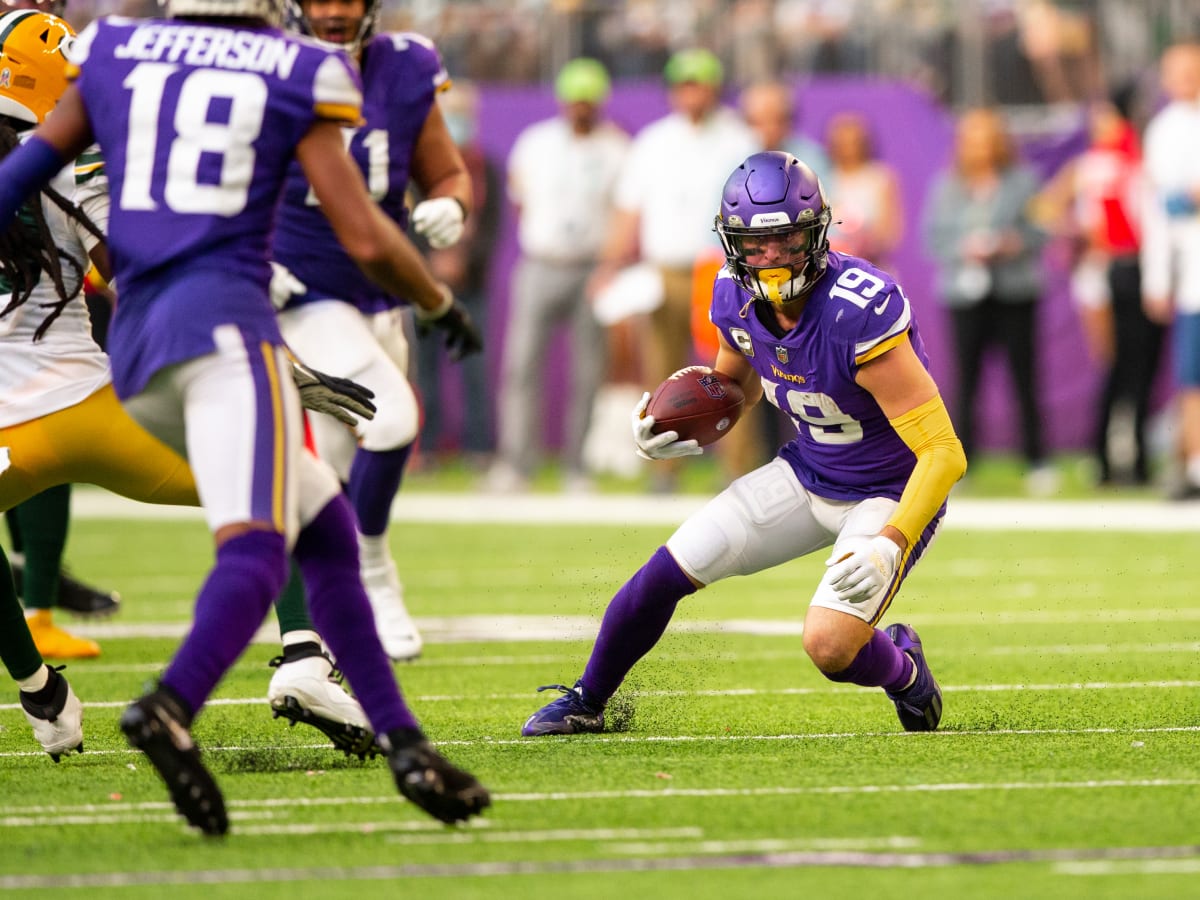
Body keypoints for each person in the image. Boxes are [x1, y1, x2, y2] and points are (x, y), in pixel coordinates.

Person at [0, 0, 488, 832]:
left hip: (142, 351)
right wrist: (439, 302)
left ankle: (406, 742)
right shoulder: (296, 71)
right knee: (261, 543)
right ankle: (169, 702)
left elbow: (26, 177)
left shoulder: (117, 47)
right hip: (216, 333)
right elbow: (366, 237)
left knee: (322, 522)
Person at [521, 151, 966, 738]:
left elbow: (944, 452)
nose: (772, 259)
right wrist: (672, 426)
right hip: (807, 473)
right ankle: (587, 698)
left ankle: (904, 672)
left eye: (786, 240)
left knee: (830, 645)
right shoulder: (731, 292)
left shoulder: (857, 308)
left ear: (817, 233)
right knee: (666, 571)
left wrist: (892, 539)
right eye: (756, 246)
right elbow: (735, 387)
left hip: (888, 490)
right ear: (733, 244)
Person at [267, 0, 475, 665]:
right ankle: (373, 579)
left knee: (328, 473)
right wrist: (246, 256)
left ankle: (319, 636)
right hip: (303, 296)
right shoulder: (271, 66)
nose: (333, 10)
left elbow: (444, 170)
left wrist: (452, 202)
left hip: (383, 302)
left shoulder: (406, 65)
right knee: (388, 423)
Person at [593, 48, 757, 491]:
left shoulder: (737, 139)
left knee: (730, 371)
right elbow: (630, 208)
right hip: (664, 267)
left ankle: (736, 468)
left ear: (714, 87)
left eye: (698, 82)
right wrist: (610, 263)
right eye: (683, 83)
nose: (691, 92)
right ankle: (664, 468)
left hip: (719, 269)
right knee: (662, 373)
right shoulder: (653, 141)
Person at [485, 57, 629, 494]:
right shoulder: (537, 142)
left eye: (588, 100)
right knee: (521, 365)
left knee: (588, 372)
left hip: (591, 267)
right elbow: (519, 197)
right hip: (542, 262)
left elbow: (624, 212)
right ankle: (516, 463)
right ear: (563, 101)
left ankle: (576, 467)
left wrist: (608, 265)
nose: (580, 107)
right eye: (574, 99)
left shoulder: (616, 148)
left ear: (599, 101)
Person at [922, 107, 1053, 494]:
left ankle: (1036, 460)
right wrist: (966, 248)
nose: (980, 148)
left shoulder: (1024, 182)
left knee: (1025, 378)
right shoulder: (947, 186)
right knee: (966, 380)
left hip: (1014, 291)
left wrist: (1016, 243)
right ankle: (963, 462)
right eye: (972, 140)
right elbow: (933, 238)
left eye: (986, 139)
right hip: (964, 293)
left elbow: (1042, 228)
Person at [1042, 92, 1163, 486]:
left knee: (1135, 365)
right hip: (1110, 270)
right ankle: (1113, 450)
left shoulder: (1134, 161)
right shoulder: (1095, 164)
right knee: (1118, 363)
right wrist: (1076, 237)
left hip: (1137, 267)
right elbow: (1049, 209)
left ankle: (1120, 449)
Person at [414, 79, 498, 469]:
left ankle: (478, 449)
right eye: (451, 115)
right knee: (425, 367)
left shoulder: (487, 169)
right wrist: (430, 263)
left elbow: (493, 228)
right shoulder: (419, 167)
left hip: (471, 285)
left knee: (473, 370)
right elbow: (408, 222)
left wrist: (465, 263)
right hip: (424, 285)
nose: (457, 123)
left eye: (463, 114)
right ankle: (428, 448)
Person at [1140, 42, 1200, 500]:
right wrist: (1157, 279)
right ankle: (1193, 465)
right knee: (1191, 377)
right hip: (1192, 274)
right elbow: (1162, 209)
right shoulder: (1164, 131)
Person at [823, 111, 904, 271]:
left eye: (854, 142)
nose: (848, 149)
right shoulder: (822, 179)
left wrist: (866, 243)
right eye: (842, 143)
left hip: (872, 268)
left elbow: (890, 232)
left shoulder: (880, 178)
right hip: (829, 269)